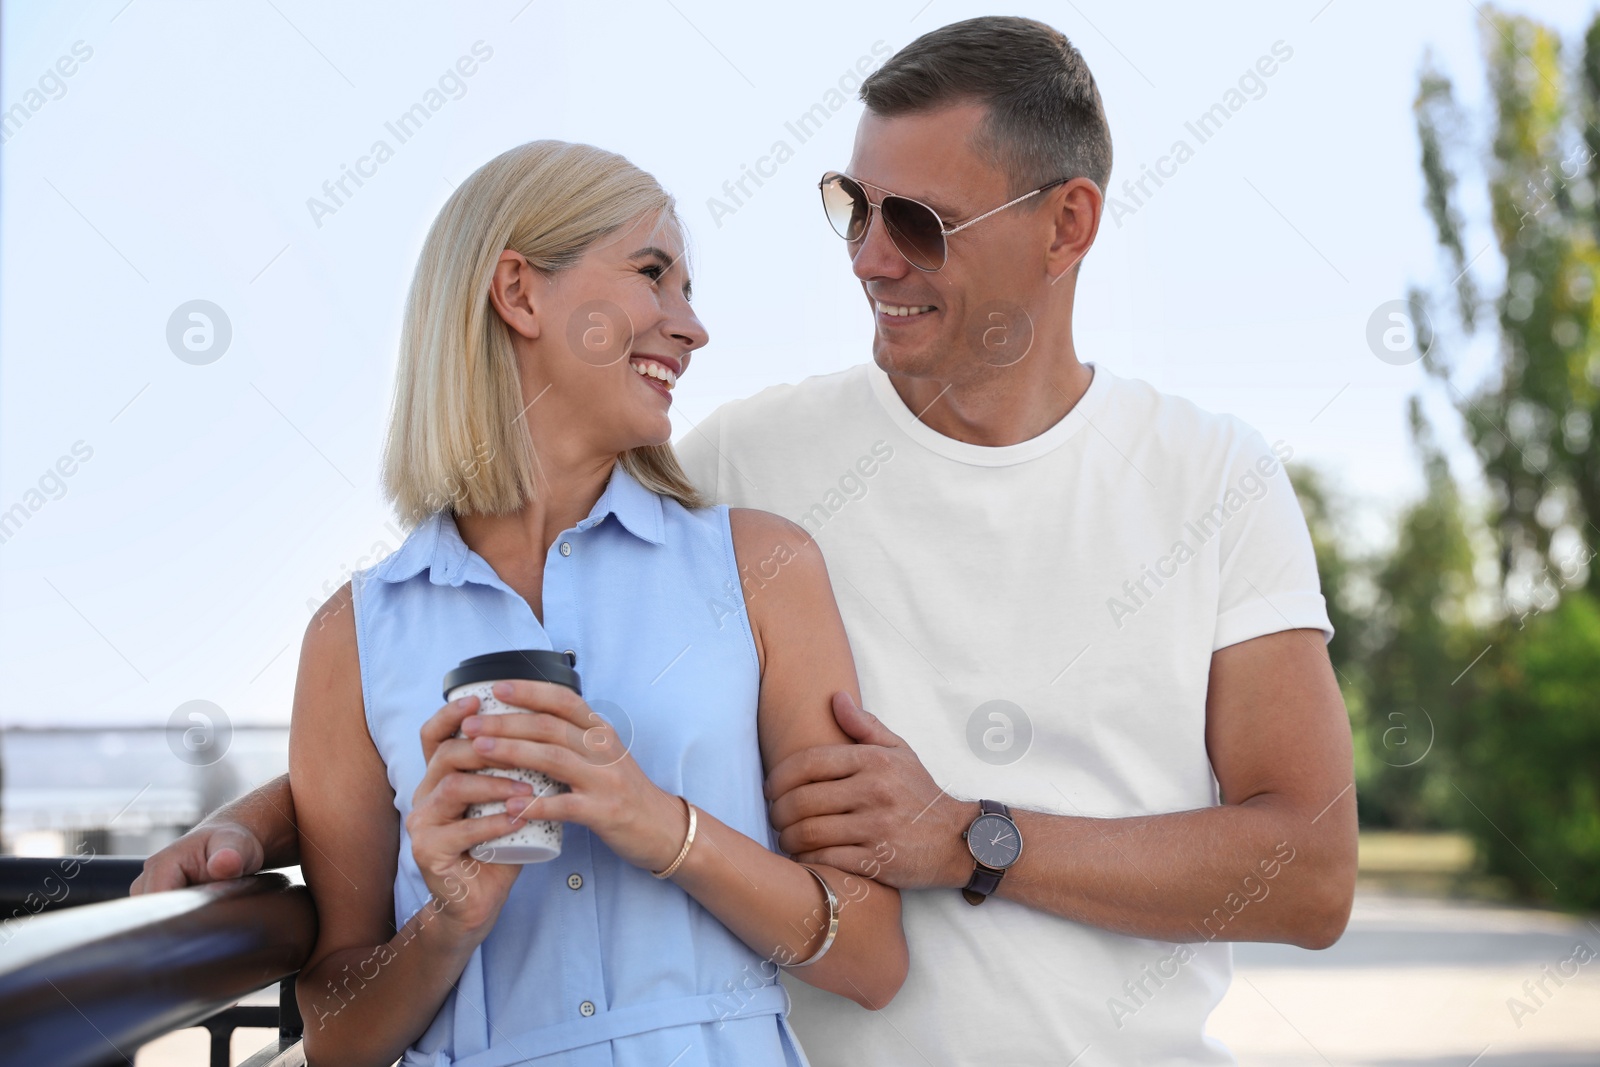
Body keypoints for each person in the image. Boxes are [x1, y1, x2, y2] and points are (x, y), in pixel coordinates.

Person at [136, 16, 1356, 1065]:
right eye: (852, 208)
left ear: (1065, 223)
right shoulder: (734, 471)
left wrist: (969, 839)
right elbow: (477, 636)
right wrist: (266, 818)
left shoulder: (1212, 477)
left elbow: (1308, 870)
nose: (872, 258)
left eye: (918, 221)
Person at [170, 138, 908, 1066]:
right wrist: (448, 920)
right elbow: (338, 1038)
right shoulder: (354, 635)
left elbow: (874, 955)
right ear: (519, 293)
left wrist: (659, 824)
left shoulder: (762, 568)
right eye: (655, 274)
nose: (692, 326)